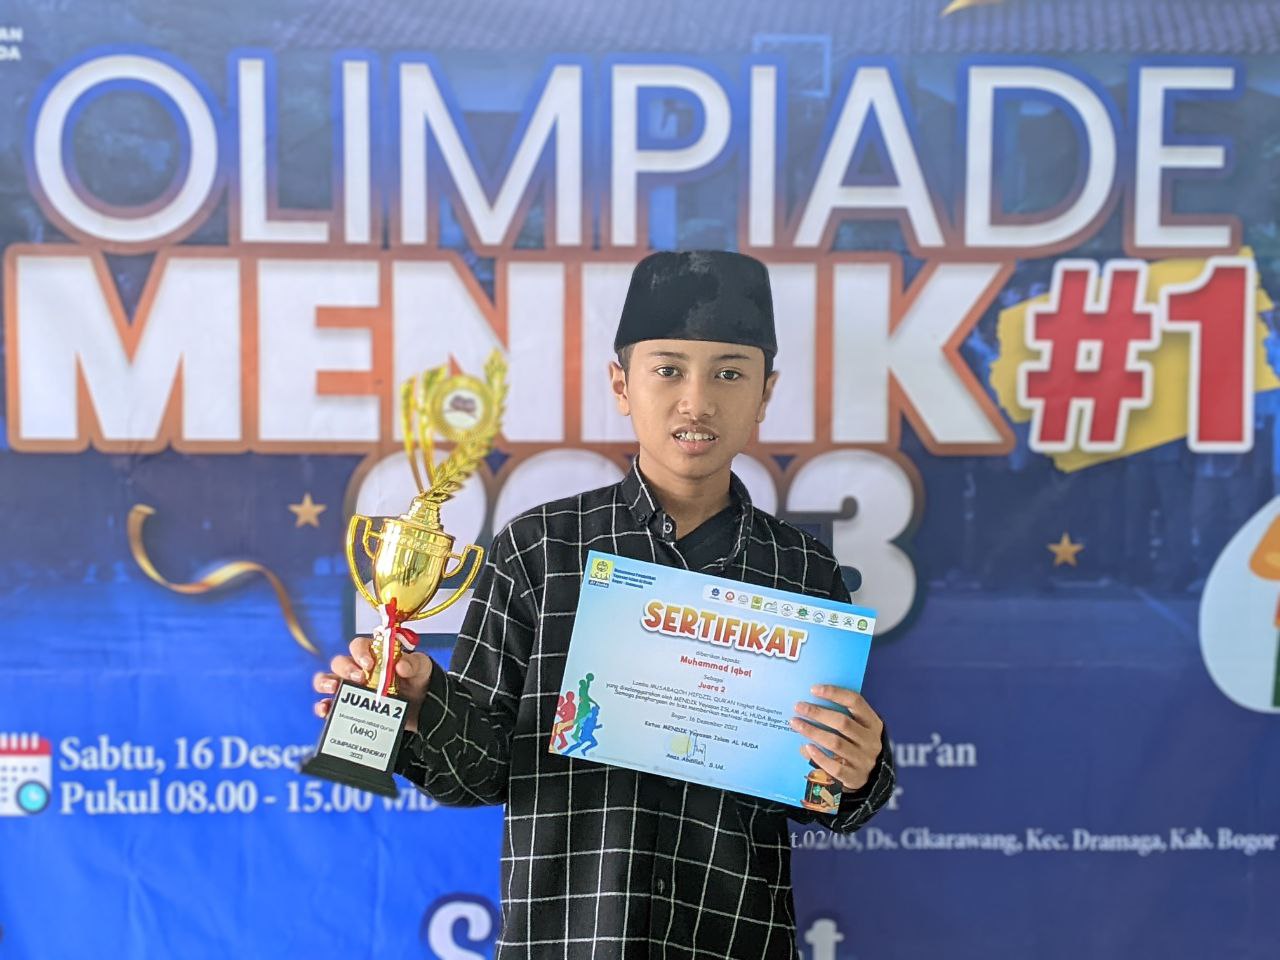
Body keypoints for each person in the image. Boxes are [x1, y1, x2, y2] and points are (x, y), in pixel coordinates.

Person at [313, 250, 895, 958]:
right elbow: (483, 772)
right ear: (622, 384)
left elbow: (827, 791)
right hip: (567, 940)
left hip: (734, 938)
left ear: (765, 395)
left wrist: (859, 769)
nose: (697, 402)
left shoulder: (801, 572)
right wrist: (419, 699)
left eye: (729, 373)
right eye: (668, 370)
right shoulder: (541, 550)